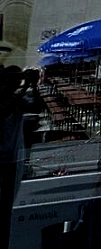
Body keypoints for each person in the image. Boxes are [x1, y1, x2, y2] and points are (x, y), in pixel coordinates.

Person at [0, 64, 40, 248]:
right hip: (3, 157)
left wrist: (34, 86)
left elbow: (36, 108)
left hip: (13, 157)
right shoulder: (6, 98)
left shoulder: (18, 98)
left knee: (9, 202)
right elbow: (6, 110)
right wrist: (25, 86)